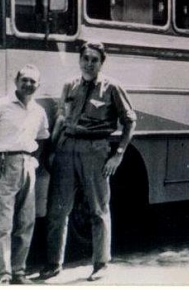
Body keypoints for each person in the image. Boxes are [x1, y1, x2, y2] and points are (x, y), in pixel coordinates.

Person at [40, 41, 137, 282]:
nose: (89, 63)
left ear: (101, 62)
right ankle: (53, 263)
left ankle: (101, 263)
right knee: (57, 210)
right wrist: (51, 150)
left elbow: (130, 121)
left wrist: (119, 154)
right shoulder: (69, 85)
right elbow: (61, 118)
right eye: (86, 58)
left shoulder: (112, 87)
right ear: (79, 60)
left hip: (95, 149)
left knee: (98, 209)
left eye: (95, 59)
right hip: (66, 148)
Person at [0, 64, 49, 285]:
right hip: (1, 164)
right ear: (16, 82)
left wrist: (35, 158)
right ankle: (3, 275)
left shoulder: (39, 111)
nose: (28, 85)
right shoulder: (0, 105)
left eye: (33, 81)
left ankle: (19, 271)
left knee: (26, 221)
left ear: (38, 85)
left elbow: (42, 137)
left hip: (27, 166)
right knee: (2, 225)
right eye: (25, 80)